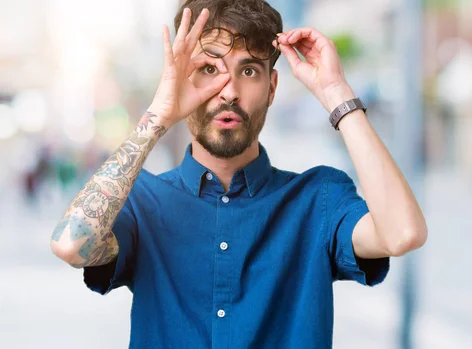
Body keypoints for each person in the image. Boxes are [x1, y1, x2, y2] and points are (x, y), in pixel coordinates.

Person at [50, 0, 428, 347]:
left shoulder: (319, 198)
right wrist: (157, 118)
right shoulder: (142, 202)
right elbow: (71, 244)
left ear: (272, 87)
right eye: (208, 69)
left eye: (248, 70)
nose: (228, 91)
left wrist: (335, 92)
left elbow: (403, 234)